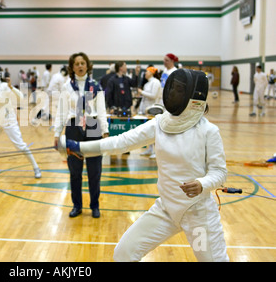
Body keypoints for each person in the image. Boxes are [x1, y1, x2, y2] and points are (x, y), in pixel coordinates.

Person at [60, 68, 229, 262]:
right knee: (124, 254)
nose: (172, 93)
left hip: (198, 215)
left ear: (194, 98)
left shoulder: (208, 131)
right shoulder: (160, 124)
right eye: (172, 89)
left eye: (179, 90)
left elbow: (219, 172)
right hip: (166, 210)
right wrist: (81, 147)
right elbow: (121, 142)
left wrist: (202, 183)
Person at [53, 52, 109, 218]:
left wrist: (105, 131)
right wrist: (57, 133)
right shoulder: (66, 87)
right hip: (73, 127)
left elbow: (102, 110)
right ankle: (77, 205)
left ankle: (95, 206)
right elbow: (61, 112)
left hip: (93, 127)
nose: (79, 66)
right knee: (75, 172)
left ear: (87, 65)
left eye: (82, 63)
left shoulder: (95, 85)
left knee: (94, 171)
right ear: (72, 67)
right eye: (76, 64)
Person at [137, 66, 161, 159]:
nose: (145, 74)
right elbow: (144, 99)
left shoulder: (156, 82)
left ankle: (156, 151)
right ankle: (150, 149)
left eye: (147, 72)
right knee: (148, 131)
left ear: (151, 72)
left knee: (155, 131)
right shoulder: (147, 84)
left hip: (154, 111)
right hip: (146, 111)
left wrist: (141, 92)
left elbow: (153, 96)